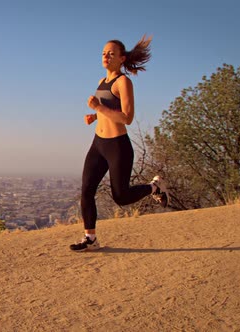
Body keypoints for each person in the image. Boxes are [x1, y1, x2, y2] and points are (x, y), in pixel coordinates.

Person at [70, 35, 169, 252]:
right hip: (98, 144)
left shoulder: (123, 82)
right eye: (104, 53)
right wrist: (95, 117)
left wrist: (98, 108)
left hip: (117, 146)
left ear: (121, 59)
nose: (106, 56)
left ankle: (155, 187)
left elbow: (126, 117)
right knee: (86, 190)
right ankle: (90, 239)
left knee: (121, 197)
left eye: (111, 53)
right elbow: (108, 109)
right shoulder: (101, 82)